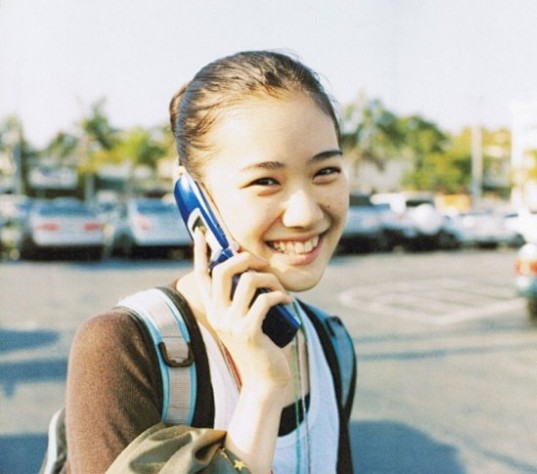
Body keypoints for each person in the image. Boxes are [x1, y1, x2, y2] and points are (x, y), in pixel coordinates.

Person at [63, 50, 355, 473]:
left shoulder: (330, 344)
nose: (306, 213)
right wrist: (262, 389)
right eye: (265, 181)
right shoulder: (124, 347)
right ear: (194, 201)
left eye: (325, 171)